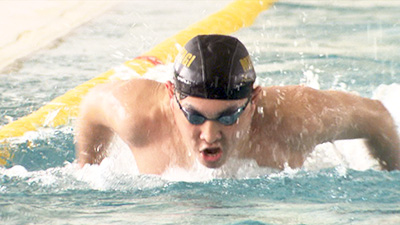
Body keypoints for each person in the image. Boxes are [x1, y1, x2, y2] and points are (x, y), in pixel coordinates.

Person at [75, 34, 400, 174]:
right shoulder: (137, 114)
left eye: (228, 117)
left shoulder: (299, 119)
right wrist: (87, 169)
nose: (210, 134)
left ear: (253, 99)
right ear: (172, 97)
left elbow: (377, 117)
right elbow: (91, 107)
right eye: (195, 115)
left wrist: (390, 179)